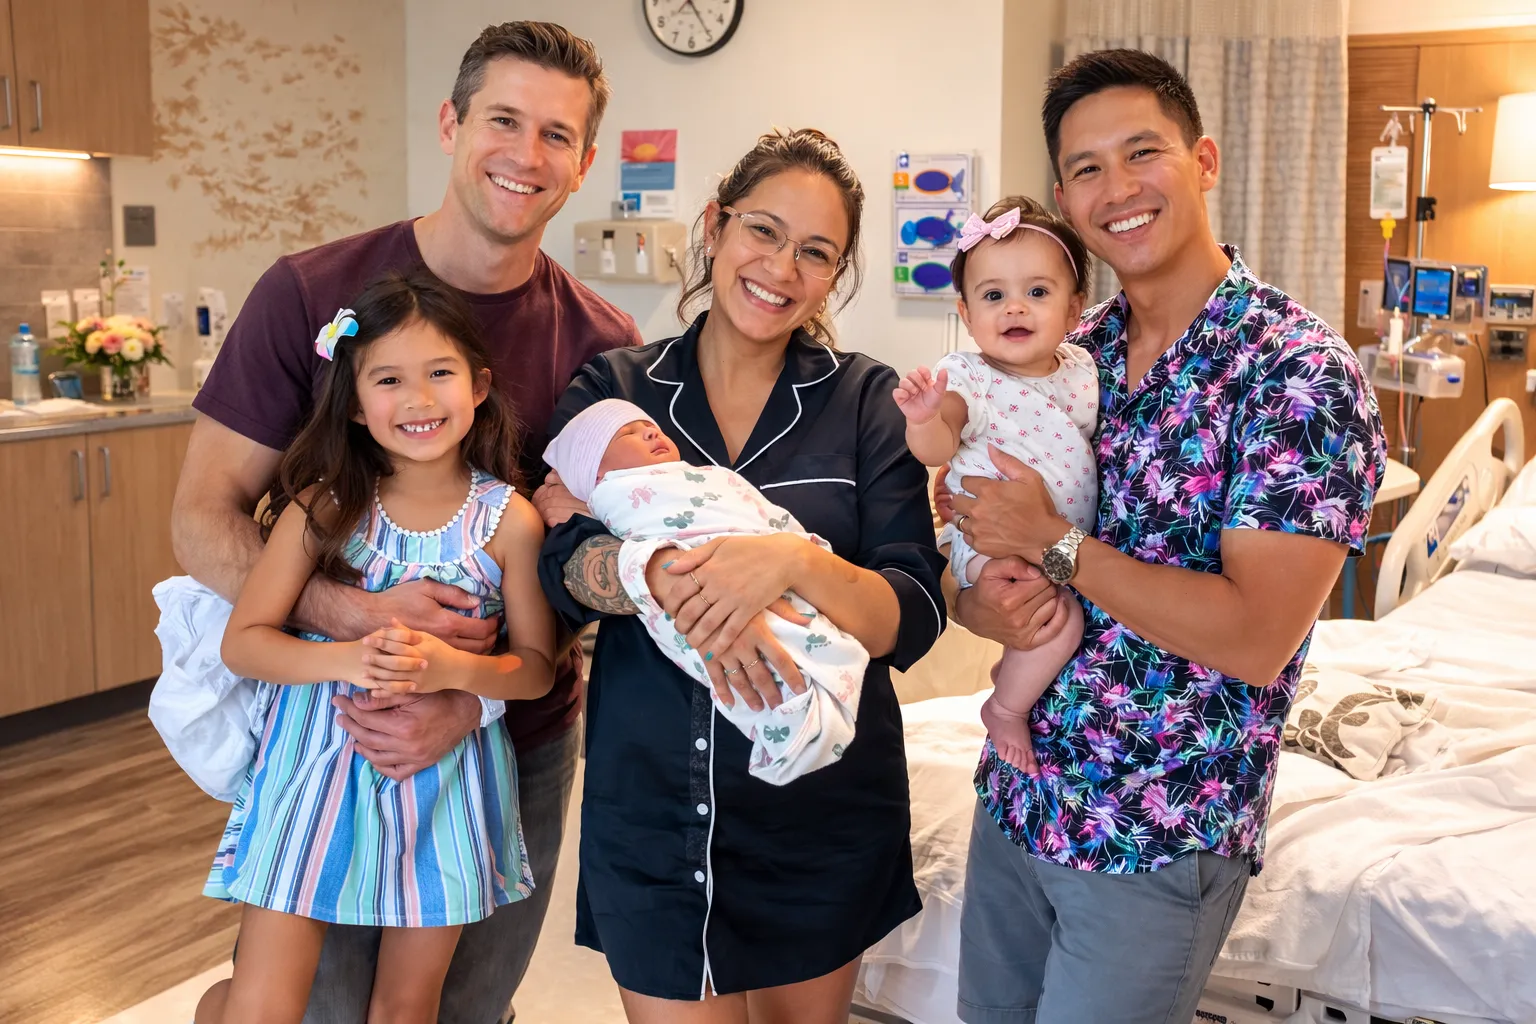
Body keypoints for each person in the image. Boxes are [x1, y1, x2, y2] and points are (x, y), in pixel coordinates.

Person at [169, 21, 641, 1022]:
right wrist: (356, 621)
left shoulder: (606, 347)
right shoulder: (309, 293)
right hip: (328, 732)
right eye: (503, 120)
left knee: (453, 1010)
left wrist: (465, 698)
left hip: (504, 747)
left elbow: (587, 572)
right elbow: (202, 517)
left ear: (585, 162)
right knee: (305, 1009)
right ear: (450, 123)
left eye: (557, 134)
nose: (526, 154)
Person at [946, 50, 1388, 1024]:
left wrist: (1056, 544)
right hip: (1017, 796)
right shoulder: (1065, 353)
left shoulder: (1297, 373)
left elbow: (1255, 637)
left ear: (1204, 161)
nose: (1118, 188)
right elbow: (974, 559)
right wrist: (983, 603)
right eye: (1087, 168)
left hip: (1155, 830)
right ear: (1065, 198)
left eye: (1142, 152)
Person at [530, 128, 946, 1023]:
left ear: (834, 275)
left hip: (820, 813)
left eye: (816, 252)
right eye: (763, 230)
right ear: (715, 227)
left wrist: (792, 562)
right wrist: (665, 574)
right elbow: (557, 570)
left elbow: (913, 612)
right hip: (653, 809)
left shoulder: (865, 401)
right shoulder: (616, 392)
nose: (782, 268)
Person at [193, 271, 555, 1024]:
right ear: (355, 405)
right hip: (311, 773)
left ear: (479, 386)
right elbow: (246, 644)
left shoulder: (510, 522)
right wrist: (351, 657)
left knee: (406, 1009)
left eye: (440, 373)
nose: (418, 399)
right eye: (389, 380)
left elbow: (534, 670)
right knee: (260, 1006)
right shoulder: (324, 507)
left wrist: (454, 669)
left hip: (445, 786)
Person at [542, 397, 867, 785]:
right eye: (627, 434)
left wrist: (802, 553)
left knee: (807, 633)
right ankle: (797, 725)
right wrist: (585, 510)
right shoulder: (609, 497)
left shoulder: (712, 478)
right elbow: (565, 556)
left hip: (768, 575)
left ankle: (815, 709)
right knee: (747, 659)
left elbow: (760, 513)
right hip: (676, 636)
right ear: (595, 472)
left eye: (652, 428)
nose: (651, 433)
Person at [894, 195, 1097, 774]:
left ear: (1074, 308)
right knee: (1061, 620)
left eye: (1037, 291)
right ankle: (1005, 707)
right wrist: (924, 418)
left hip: (1057, 541)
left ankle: (1012, 672)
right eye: (993, 296)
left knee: (1057, 613)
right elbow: (938, 446)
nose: (1015, 307)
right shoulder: (968, 377)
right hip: (990, 543)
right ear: (965, 312)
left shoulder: (1083, 370)